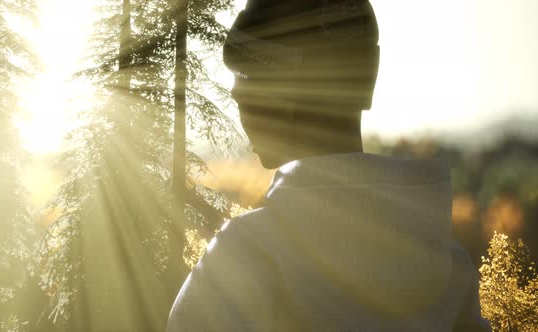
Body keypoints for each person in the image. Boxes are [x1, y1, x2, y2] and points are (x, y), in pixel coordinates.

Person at [166, 0, 492, 331]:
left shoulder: (244, 256)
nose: (238, 100)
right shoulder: (449, 266)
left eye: (246, 81)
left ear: (282, 92)